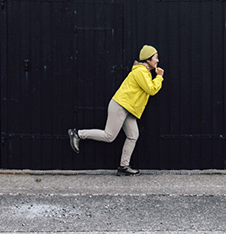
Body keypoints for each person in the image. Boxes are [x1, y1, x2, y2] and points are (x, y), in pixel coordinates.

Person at [68, 45, 165, 175]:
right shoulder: (140, 71)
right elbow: (151, 90)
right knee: (109, 136)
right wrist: (159, 77)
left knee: (133, 135)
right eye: (155, 57)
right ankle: (78, 134)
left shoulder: (144, 72)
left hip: (128, 108)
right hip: (121, 106)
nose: (157, 61)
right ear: (148, 59)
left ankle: (124, 166)